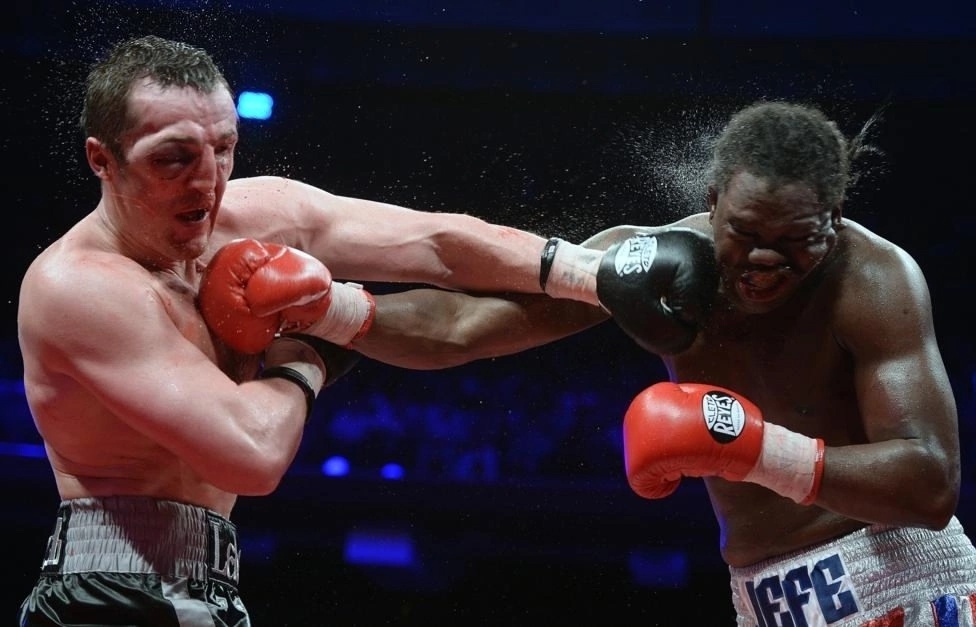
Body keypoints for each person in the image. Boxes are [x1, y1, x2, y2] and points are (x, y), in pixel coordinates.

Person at [15, 34, 636, 625]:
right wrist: (307, 354)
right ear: (103, 160)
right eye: (172, 158)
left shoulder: (259, 212)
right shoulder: (80, 287)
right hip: (109, 589)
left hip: (203, 581)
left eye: (223, 149)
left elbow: (436, 243)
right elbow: (251, 456)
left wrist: (589, 273)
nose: (206, 181)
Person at [341, 101, 976, 625]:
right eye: (746, 233)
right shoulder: (649, 263)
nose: (763, 259)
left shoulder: (873, 280)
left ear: (833, 220)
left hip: (900, 579)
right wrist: (331, 312)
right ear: (713, 202)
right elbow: (464, 326)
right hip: (761, 599)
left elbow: (930, 485)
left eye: (795, 240)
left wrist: (755, 449)